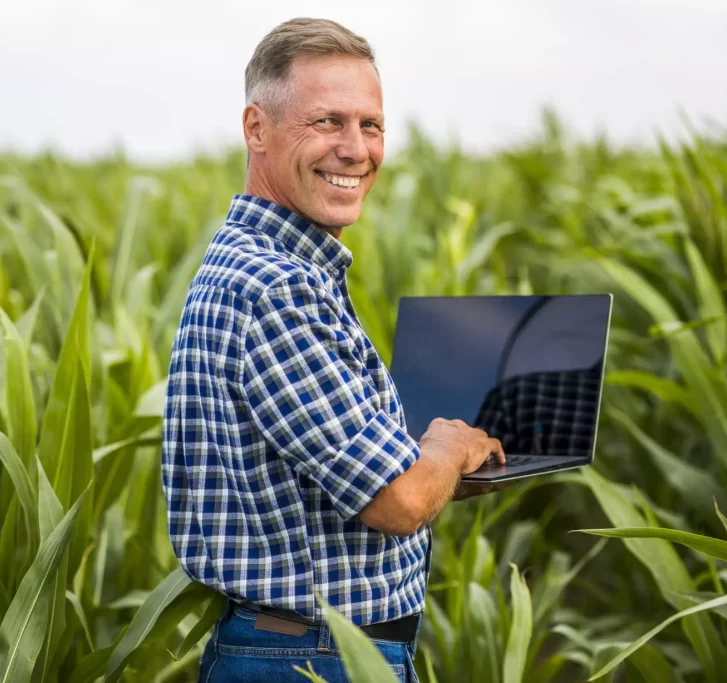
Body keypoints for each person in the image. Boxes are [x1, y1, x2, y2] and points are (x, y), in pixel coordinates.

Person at [160, 17, 505, 683]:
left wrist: (445, 465)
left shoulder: (267, 267)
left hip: (299, 650)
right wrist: (449, 446)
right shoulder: (277, 289)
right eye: (327, 122)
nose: (355, 149)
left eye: (370, 125)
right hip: (310, 659)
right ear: (256, 128)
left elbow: (323, 485)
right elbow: (398, 501)